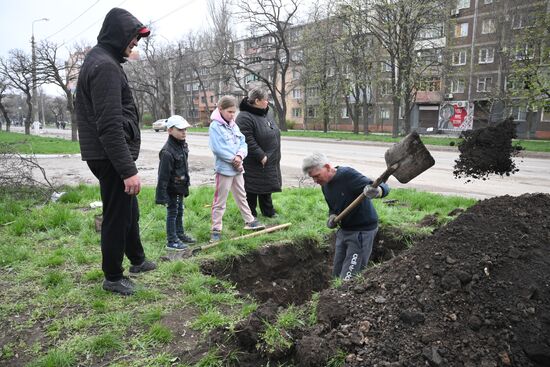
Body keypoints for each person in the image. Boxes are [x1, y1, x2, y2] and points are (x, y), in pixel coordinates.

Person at [75, 8, 156, 296]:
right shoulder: (105, 67)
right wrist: (128, 170)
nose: (134, 45)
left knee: (128, 210)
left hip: (107, 154)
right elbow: (109, 126)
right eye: (132, 40)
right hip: (109, 156)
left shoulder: (101, 60)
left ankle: (137, 259)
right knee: (116, 214)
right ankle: (112, 276)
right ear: (118, 35)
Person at [302, 152, 390, 281]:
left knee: (350, 277)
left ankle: (347, 298)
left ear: (327, 167)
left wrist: (378, 192)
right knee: (337, 274)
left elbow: (383, 187)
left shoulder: (347, 175)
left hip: (361, 232)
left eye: (316, 176)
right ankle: (335, 298)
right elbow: (333, 207)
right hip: (344, 231)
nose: (315, 181)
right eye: (312, 178)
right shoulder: (325, 184)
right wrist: (332, 216)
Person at [208, 95, 265, 242]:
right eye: (229, 112)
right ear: (220, 109)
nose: (232, 115)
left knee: (241, 195)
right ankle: (216, 229)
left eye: (234, 112)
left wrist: (240, 156)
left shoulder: (234, 124)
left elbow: (242, 142)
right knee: (220, 200)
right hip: (225, 170)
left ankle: (249, 221)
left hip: (238, 168)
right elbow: (218, 148)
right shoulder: (215, 126)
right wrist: (232, 159)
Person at [236, 88, 281, 218]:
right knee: (252, 188)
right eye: (265, 100)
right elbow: (247, 139)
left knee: (266, 187)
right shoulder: (244, 116)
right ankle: (250, 215)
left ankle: (268, 212)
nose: (268, 102)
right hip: (254, 160)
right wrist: (260, 155)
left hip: (270, 158)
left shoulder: (267, 112)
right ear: (257, 101)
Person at [155, 115, 196, 251]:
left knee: (180, 210)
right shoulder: (167, 152)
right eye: (180, 130)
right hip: (171, 189)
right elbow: (163, 176)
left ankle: (179, 233)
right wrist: (161, 196)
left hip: (180, 187)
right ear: (170, 130)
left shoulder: (182, 145)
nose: (184, 132)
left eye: (185, 129)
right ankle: (171, 240)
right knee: (172, 212)